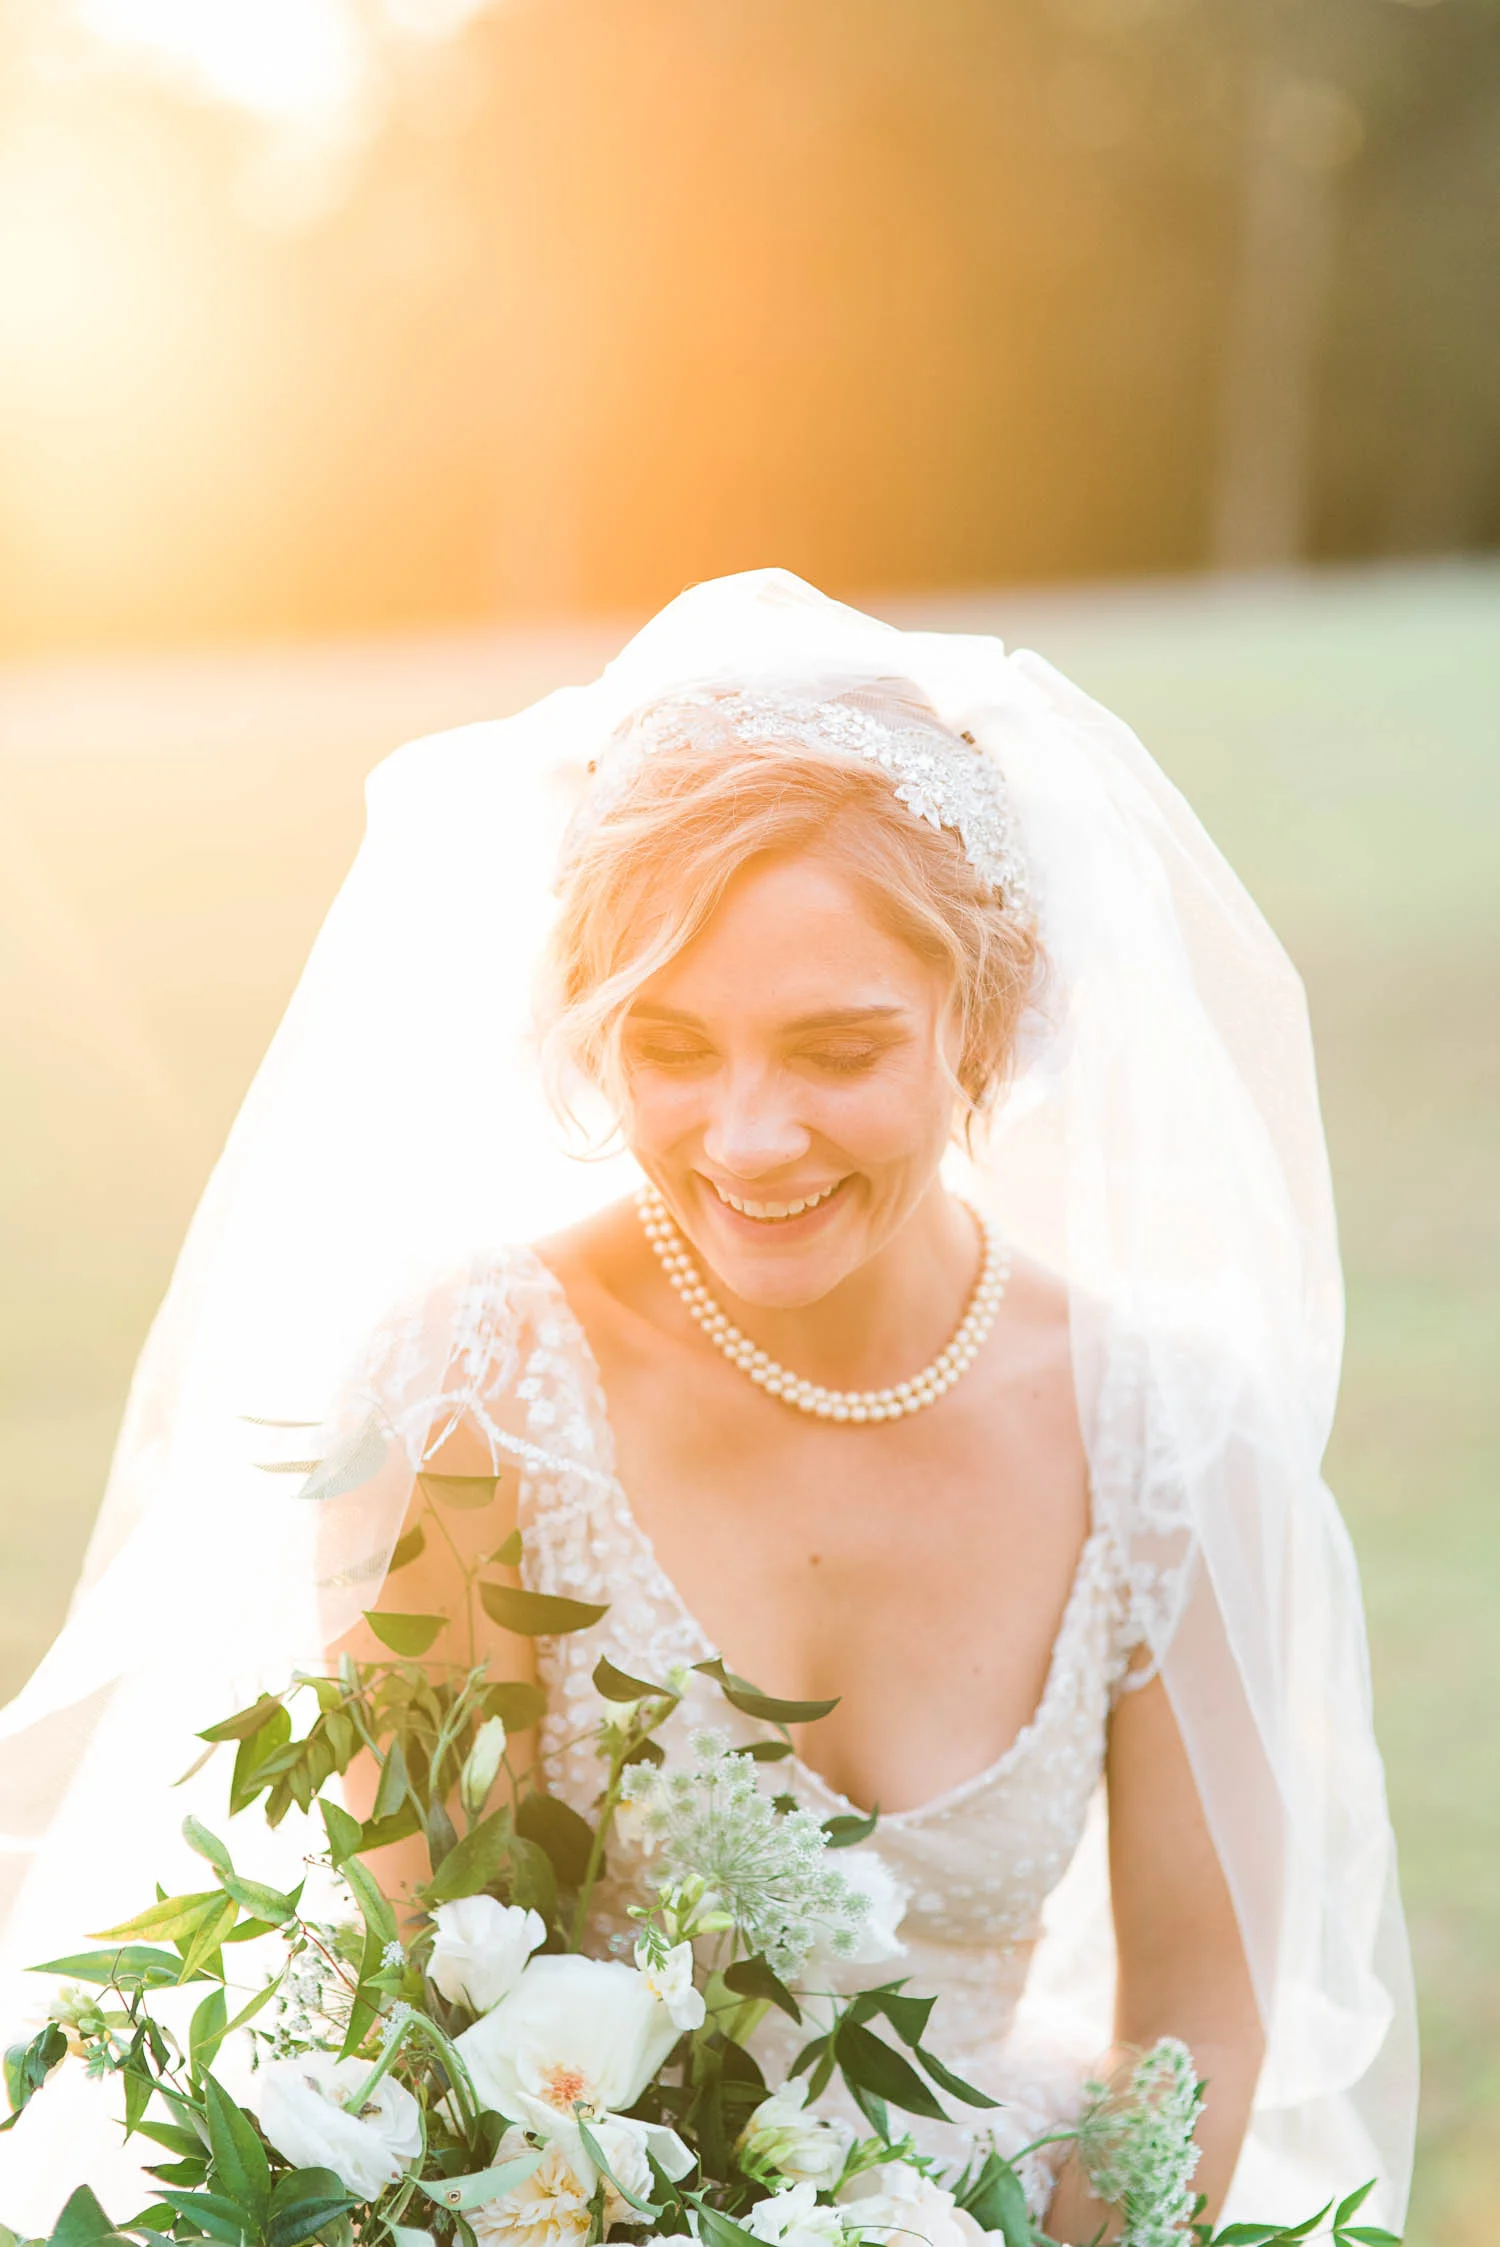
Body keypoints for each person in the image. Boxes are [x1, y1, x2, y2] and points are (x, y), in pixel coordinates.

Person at [0, 571, 1413, 2234]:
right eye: (672, 1047)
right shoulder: (470, 1396)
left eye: (836, 1051)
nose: (748, 1138)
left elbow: (1195, 2034)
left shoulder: (1174, 1436)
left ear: (982, 1020)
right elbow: (419, 2010)